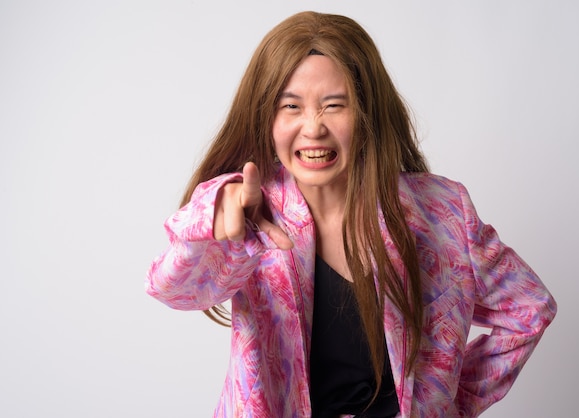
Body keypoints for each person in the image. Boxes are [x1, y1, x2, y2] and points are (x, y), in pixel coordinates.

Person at [146, 11, 556, 418]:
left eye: (333, 105)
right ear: (266, 117)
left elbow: (530, 309)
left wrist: (449, 404)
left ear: (367, 112)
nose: (313, 128)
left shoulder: (441, 212)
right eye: (291, 106)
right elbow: (175, 290)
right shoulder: (248, 210)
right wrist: (211, 230)